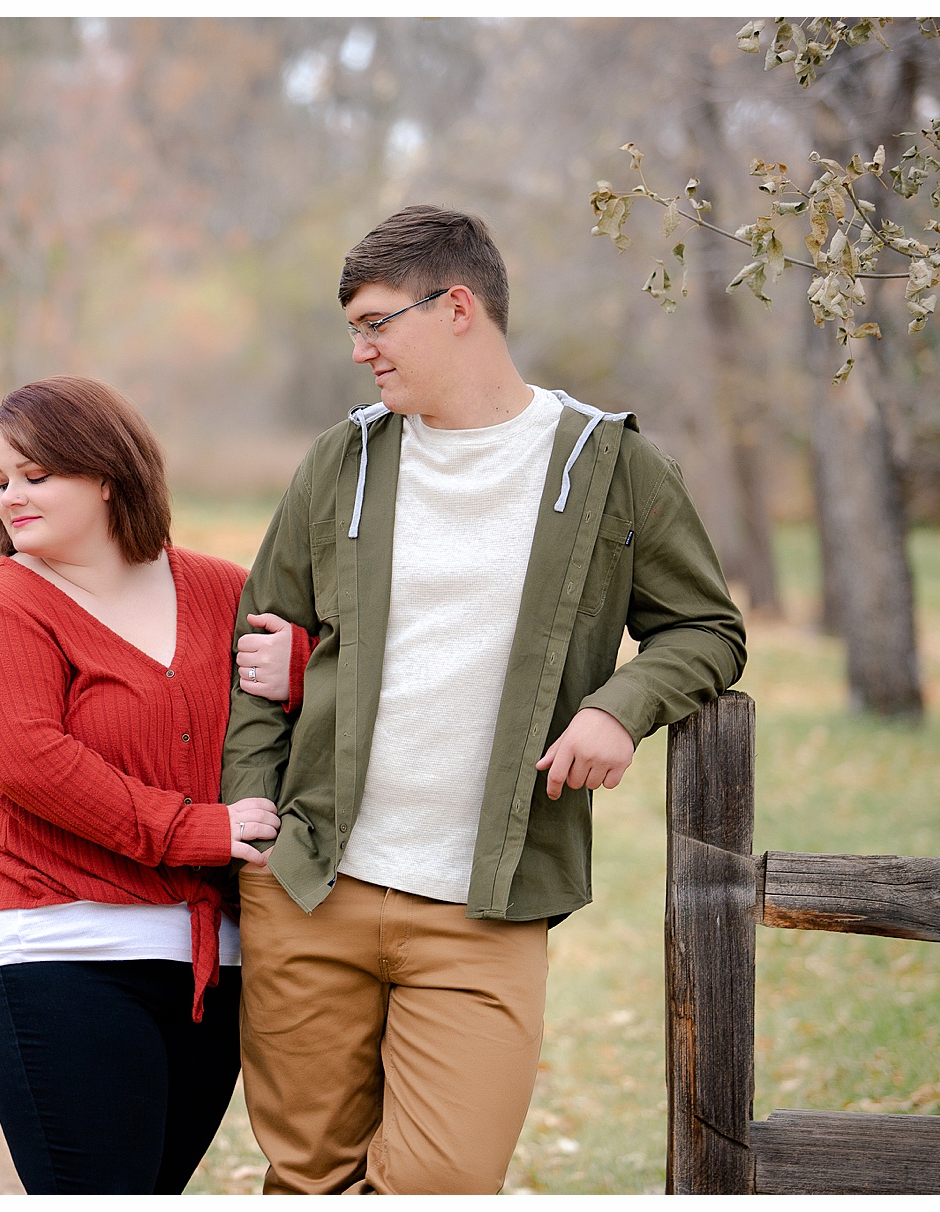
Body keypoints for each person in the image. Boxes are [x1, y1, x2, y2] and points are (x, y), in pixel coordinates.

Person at [222, 205, 747, 1194]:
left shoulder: (610, 467)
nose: (359, 350)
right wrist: (255, 827)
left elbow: (708, 631)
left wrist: (620, 705)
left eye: (377, 322)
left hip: (484, 910)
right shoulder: (345, 461)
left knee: (443, 1183)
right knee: (305, 1182)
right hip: (310, 886)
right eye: (352, 328)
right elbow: (263, 642)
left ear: (457, 306)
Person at [0, 374, 312, 1194]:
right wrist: (197, 831)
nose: (10, 499)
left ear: (109, 472)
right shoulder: (0, 610)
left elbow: (323, 716)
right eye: (0, 480)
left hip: (214, 964)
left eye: (37, 476)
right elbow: (33, 763)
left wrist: (302, 672)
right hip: (55, 948)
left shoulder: (221, 591)